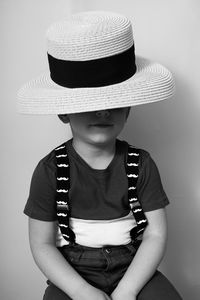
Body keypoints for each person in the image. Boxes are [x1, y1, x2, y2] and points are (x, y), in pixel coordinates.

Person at [18, 11, 182, 300]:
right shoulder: (50, 171)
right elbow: (42, 245)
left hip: (134, 269)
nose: (103, 111)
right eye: (89, 102)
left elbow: (155, 234)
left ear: (129, 108)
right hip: (72, 275)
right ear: (63, 111)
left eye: (115, 101)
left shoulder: (141, 164)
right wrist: (80, 290)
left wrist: (128, 290)